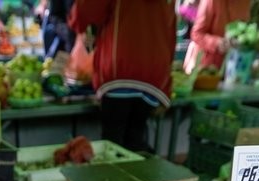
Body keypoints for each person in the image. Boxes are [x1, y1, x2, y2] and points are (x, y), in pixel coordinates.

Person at [68, 0, 177, 153]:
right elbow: (171, 31)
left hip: (119, 67)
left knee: (113, 145)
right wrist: (167, 86)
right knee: (135, 140)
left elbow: (84, 11)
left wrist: (79, 25)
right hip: (155, 71)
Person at [183, 0, 252, 73]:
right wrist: (217, 42)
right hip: (203, 66)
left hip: (232, 66)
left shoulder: (245, 2)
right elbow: (196, 34)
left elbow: (243, 30)